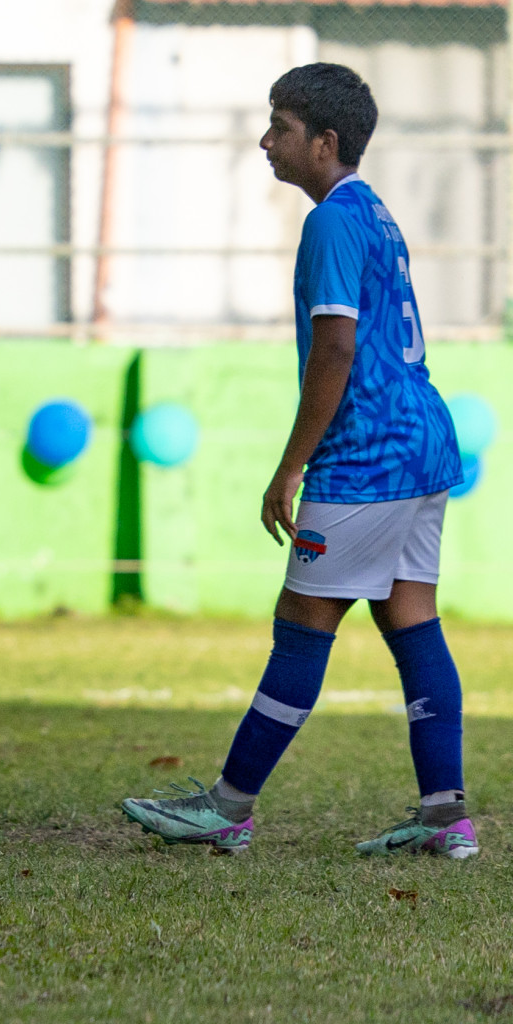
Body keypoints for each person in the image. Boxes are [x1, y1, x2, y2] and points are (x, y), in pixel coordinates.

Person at [121, 64, 475, 859]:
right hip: (423, 445)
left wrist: (291, 467)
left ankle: (228, 807)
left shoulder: (331, 225)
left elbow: (337, 346)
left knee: (301, 628)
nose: (265, 140)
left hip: (367, 459)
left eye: (280, 127)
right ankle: (445, 816)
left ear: (326, 141)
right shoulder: (374, 214)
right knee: (411, 620)